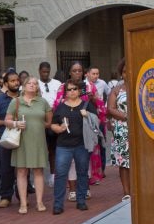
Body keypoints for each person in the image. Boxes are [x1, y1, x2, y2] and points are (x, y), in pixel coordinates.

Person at [5, 76, 51, 214]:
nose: (32, 85)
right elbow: (6, 120)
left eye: (35, 83)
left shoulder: (43, 102)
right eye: (29, 83)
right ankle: (23, 203)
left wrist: (37, 127)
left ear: (38, 87)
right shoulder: (15, 102)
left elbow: (48, 122)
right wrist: (15, 123)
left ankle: (39, 202)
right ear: (23, 86)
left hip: (38, 141)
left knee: (38, 171)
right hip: (22, 141)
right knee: (21, 172)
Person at [50, 78, 96, 214]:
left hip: (82, 144)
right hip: (63, 145)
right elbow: (53, 123)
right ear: (65, 92)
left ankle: (81, 201)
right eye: (69, 89)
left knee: (82, 173)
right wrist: (58, 128)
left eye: (74, 89)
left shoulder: (87, 105)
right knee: (60, 175)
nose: (72, 91)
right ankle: (58, 204)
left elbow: (97, 121)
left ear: (79, 90)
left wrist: (87, 114)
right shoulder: (61, 107)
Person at [0, 70, 20, 208]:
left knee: (23, 168)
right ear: (6, 84)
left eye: (17, 80)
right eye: (12, 81)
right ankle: (6, 196)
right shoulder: (0, 100)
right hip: (5, 138)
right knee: (5, 168)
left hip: (23, 137)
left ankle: (22, 194)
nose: (16, 83)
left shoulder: (25, 97)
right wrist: (7, 123)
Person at [106, 58, 131, 200]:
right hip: (122, 130)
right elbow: (110, 109)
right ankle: (127, 193)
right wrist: (127, 117)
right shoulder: (116, 90)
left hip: (139, 131)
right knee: (124, 162)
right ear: (121, 74)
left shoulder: (142, 86)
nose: (128, 74)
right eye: (125, 72)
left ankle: (138, 191)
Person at [38, 61, 61, 186]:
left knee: (53, 148)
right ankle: (38, 176)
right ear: (39, 71)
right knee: (40, 149)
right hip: (40, 119)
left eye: (47, 72)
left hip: (53, 117)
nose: (45, 74)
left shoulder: (57, 84)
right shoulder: (35, 84)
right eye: (43, 72)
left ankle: (53, 175)